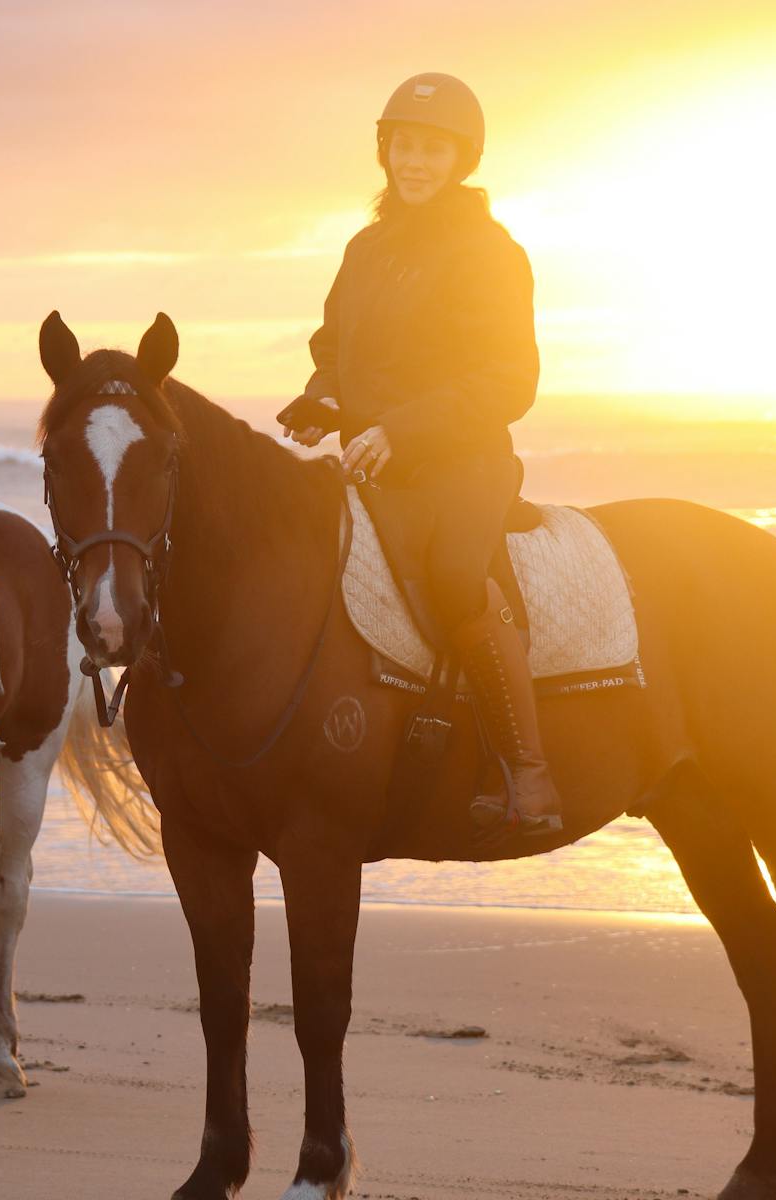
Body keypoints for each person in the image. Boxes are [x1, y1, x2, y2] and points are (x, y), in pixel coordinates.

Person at [278, 73, 560, 834]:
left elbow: (510, 378)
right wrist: (326, 397)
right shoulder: (366, 247)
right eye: (404, 145)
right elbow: (334, 343)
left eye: (433, 149)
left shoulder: (490, 252)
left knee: (454, 576)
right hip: (373, 459)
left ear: (461, 158)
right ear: (385, 150)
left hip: (462, 461)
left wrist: (400, 427)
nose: (415, 161)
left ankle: (526, 769)